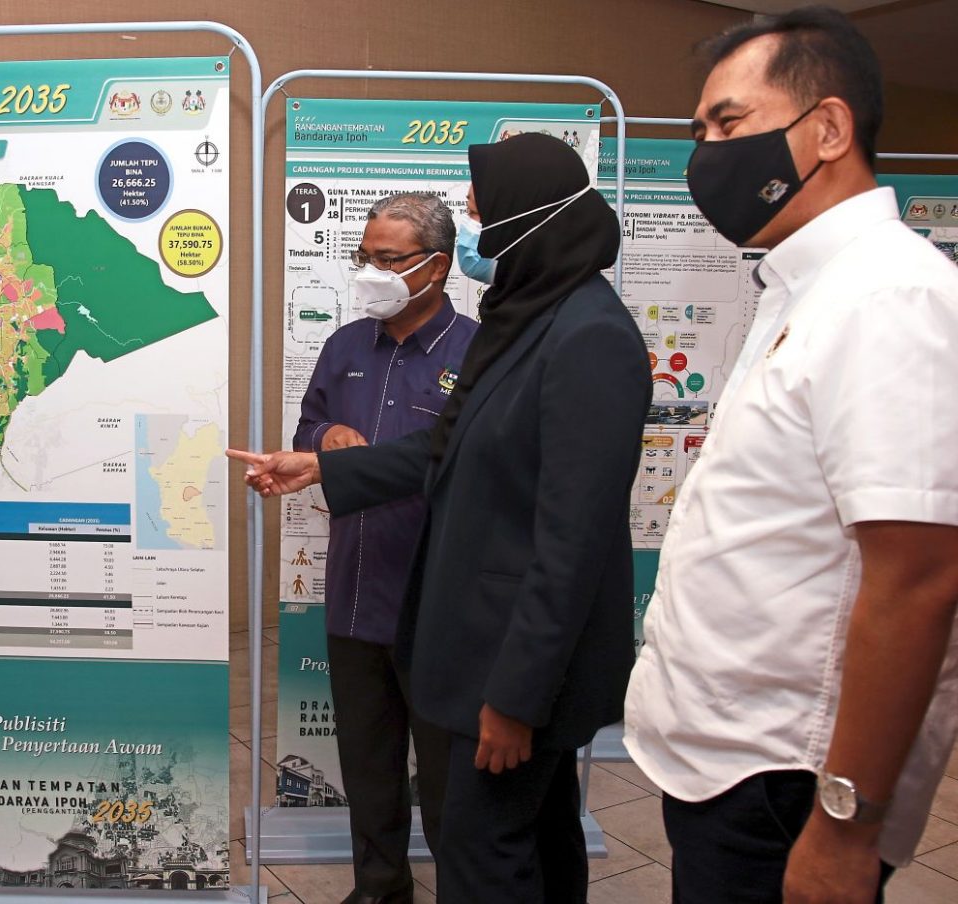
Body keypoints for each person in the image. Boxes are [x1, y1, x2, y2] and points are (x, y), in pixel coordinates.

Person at [232, 132, 652, 903]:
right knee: (531, 839)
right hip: (454, 625)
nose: (475, 232)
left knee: (483, 849)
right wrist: (323, 461)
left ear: (529, 221)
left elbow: (571, 543)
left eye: (481, 215)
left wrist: (517, 698)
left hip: (507, 655)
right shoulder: (528, 322)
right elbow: (441, 446)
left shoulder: (588, 337)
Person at [623, 7, 958, 904]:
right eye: (700, 131)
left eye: (728, 124)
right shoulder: (801, 286)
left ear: (830, 128)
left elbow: (919, 580)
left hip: (788, 782)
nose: (706, 152)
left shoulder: (891, 296)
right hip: (726, 764)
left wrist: (846, 827)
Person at [293, 192, 477, 904]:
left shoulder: (478, 352)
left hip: (436, 609)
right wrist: (324, 440)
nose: (372, 271)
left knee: (446, 780)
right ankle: (379, 891)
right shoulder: (344, 348)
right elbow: (310, 424)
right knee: (367, 769)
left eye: (389, 259)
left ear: (436, 265)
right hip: (354, 595)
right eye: (364, 257)